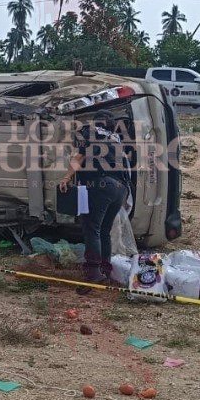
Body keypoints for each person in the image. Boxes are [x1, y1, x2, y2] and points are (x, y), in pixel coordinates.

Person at [58, 112, 130, 295]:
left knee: (92, 229)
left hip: (101, 185)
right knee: (104, 231)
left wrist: (66, 178)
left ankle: (93, 274)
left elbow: (79, 158)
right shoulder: (115, 139)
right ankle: (105, 269)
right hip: (120, 189)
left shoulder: (90, 132)